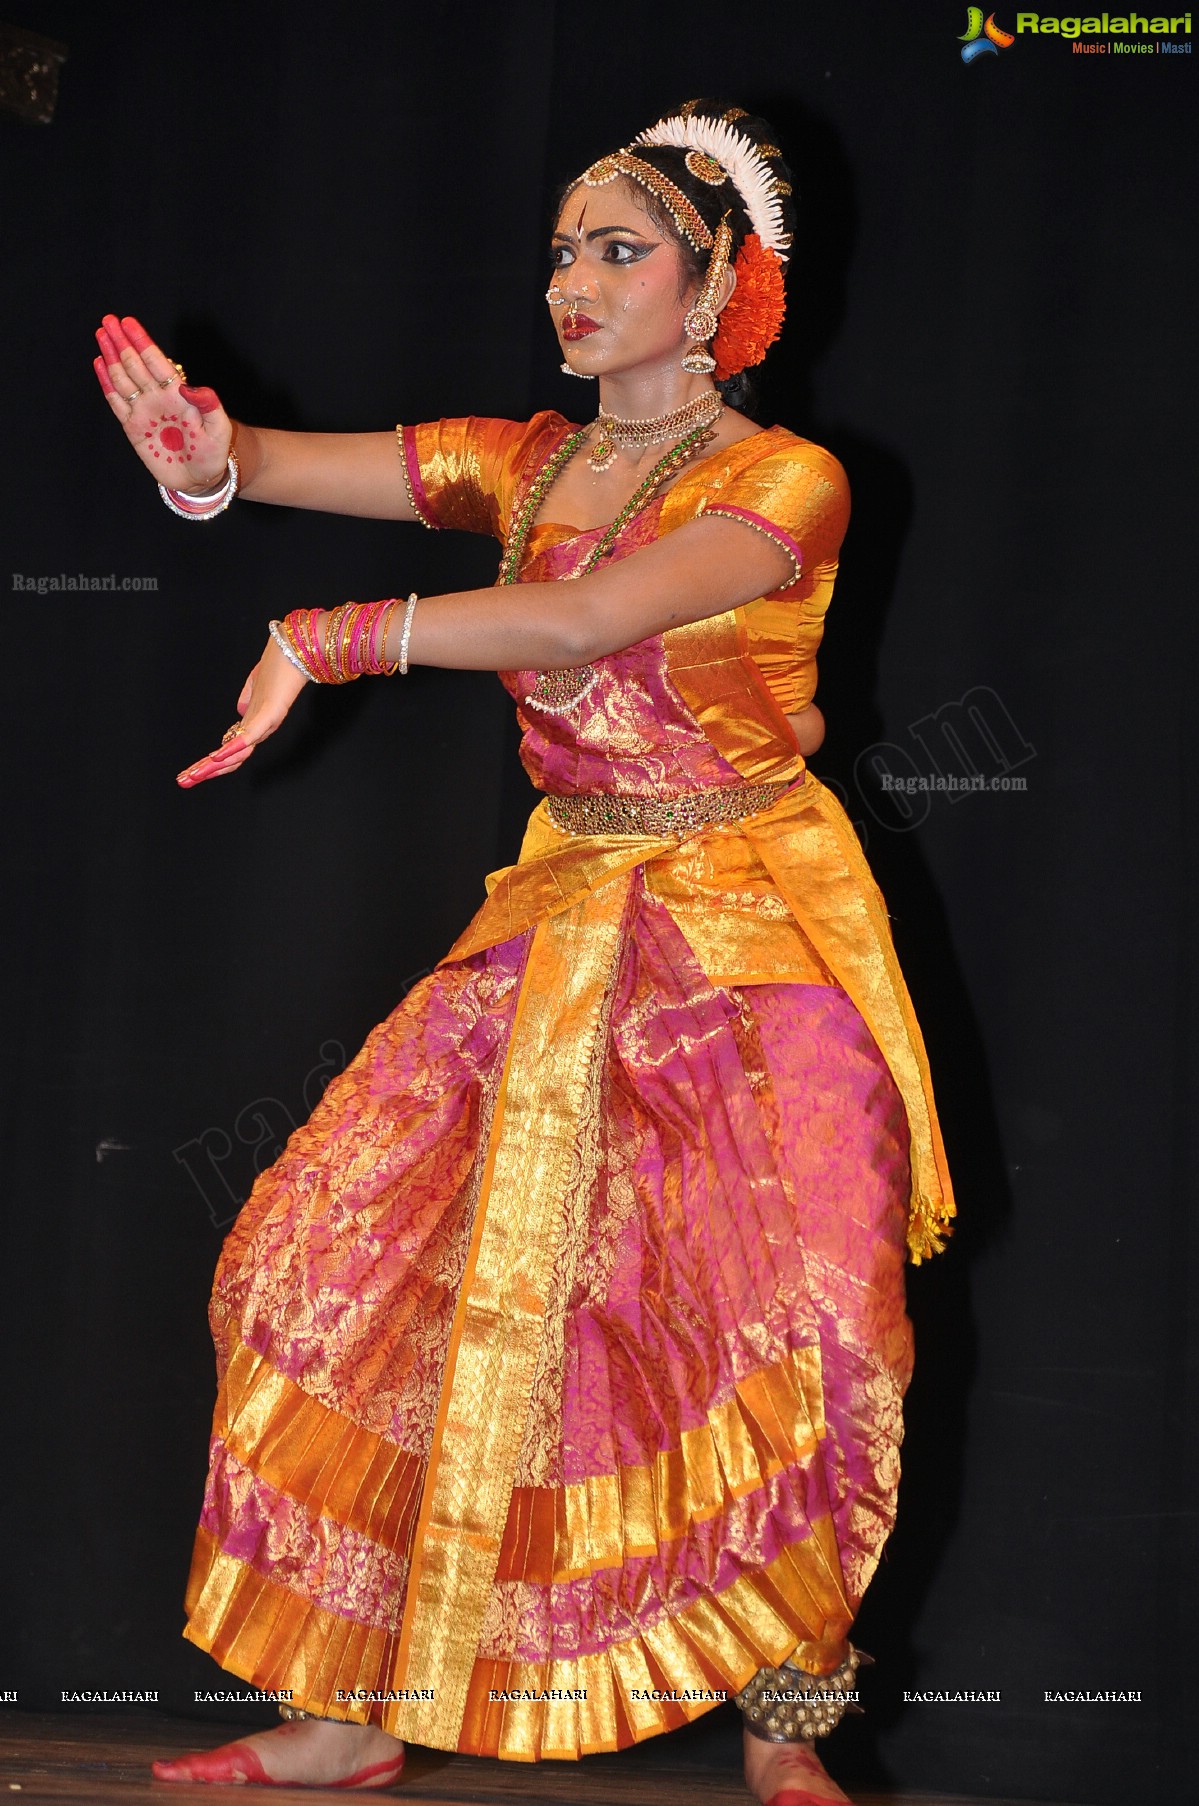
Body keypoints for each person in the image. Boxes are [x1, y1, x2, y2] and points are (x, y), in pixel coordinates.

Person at [93, 99, 955, 1803]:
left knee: (811, 1326)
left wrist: (336, 633)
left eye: (619, 247)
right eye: (563, 247)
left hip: (756, 931)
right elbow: (267, 460)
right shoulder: (530, 459)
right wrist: (206, 460)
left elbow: (583, 617)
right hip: (563, 914)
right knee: (323, 1267)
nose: (573, 278)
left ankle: (791, 1741)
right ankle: (350, 1707)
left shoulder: (789, 479)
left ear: (718, 285)